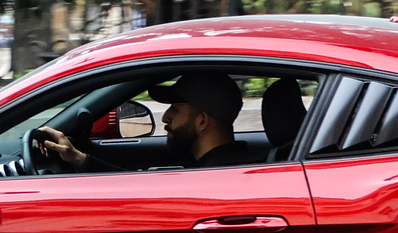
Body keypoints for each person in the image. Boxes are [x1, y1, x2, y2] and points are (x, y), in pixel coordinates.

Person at [34, 72, 261, 172]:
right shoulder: (221, 164)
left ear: (202, 121)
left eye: (175, 108)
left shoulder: (216, 174)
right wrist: (79, 159)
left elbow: (141, 193)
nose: (165, 117)